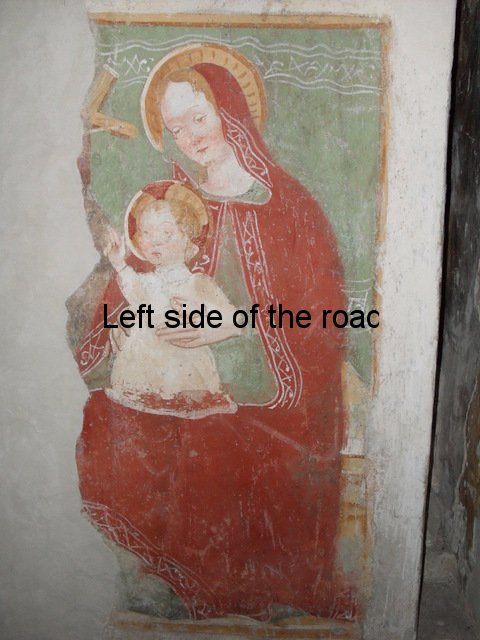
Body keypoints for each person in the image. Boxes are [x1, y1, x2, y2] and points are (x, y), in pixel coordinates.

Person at [75, 43, 353, 621]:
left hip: (271, 397)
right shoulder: (172, 205)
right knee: (109, 420)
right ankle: (163, 578)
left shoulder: (289, 207)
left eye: (198, 118)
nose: (190, 136)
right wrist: (122, 323)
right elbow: (134, 281)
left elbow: (320, 317)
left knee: (216, 444)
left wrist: (231, 331)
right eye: (176, 128)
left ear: (230, 113)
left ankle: (234, 589)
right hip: (172, 381)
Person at [104, 182, 238, 418]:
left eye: (166, 233)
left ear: (188, 239)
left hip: (183, 367)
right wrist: (119, 263)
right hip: (143, 367)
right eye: (146, 233)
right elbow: (136, 292)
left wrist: (207, 319)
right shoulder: (147, 281)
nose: (155, 241)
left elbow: (232, 319)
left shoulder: (197, 283)